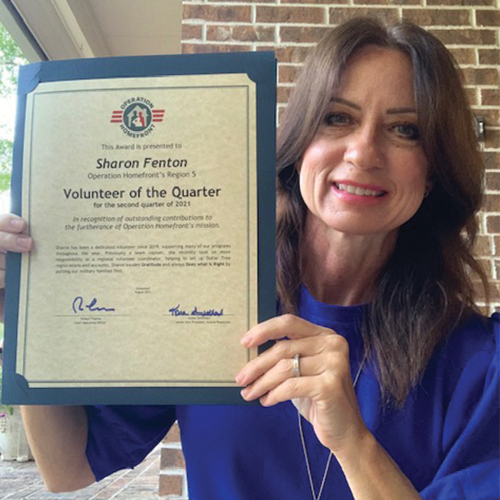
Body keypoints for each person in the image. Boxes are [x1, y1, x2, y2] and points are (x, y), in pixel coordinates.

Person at [0, 16, 498, 500]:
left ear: (432, 172)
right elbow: (67, 466)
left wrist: (353, 442)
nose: (363, 152)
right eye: (337, 117)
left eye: (405, 129)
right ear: (302, 142)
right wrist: (22, 302)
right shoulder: (207, 303)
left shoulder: (479, 362)